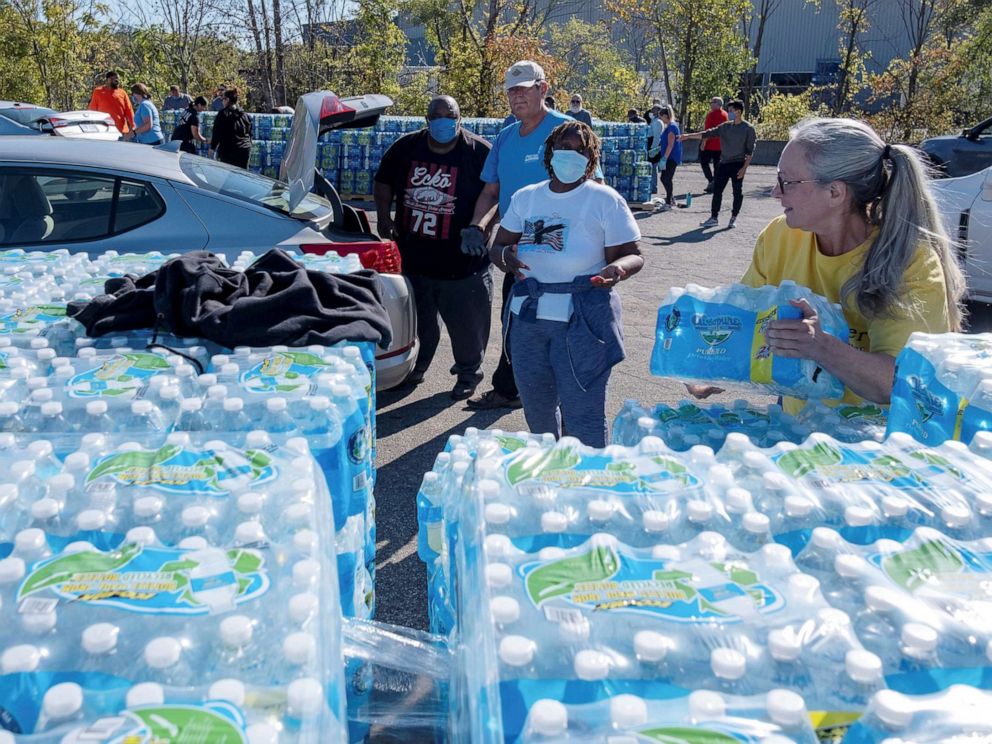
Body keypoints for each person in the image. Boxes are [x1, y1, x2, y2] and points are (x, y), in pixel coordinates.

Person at [689, 117, 965, 414]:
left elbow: (899, 382)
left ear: (835, 192)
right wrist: (705, 360)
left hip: (879, 449)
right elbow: (744, 313)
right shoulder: (779, 237)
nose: (774, 192)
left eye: (787, 181)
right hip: (801, 439)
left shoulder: (911, 260)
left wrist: (820, 346)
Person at [489, 121, 643, 447]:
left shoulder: (604, 200)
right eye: (563, 148)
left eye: (579, 150)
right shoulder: (526, 198)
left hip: (582, 318)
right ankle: (550, 471)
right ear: (550, 154)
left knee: (583, 410)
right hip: (530, 318)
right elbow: (498, 247)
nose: (569, 155)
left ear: (590, 159)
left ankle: (587, 479)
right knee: (538, 409)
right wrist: (507, 258)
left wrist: (617, 269)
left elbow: (633, 255)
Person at [461, 59, 603, 411]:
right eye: (511, 90)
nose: (516, 96)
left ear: (543, 89)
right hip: (518, 254)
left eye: (523, 88)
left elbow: (595, 186)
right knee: (516, 322)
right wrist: (478, 225)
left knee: (564, 325)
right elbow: (492, 191)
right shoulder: (506, 137)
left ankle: (565, 395)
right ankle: (511, 390)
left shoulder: (567, 132)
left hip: (563, 255)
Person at [373, 95, 493, 401]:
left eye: (448, 115)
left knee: (467, 327)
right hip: (414, 259)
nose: (442, 121)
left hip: (462, 262)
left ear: (459, 118)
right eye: (436, 116)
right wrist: (384, 216)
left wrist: (482, 226)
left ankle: (468, 374)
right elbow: (383, 181)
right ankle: (417, 368)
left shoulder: (479, 152)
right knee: (420, 322)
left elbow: (497, 194)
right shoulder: (406, 147)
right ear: (427, 121)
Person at [680, 98, 755, 229]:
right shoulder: (725, 126)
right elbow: (707, 133)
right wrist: (688, 136)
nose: (729, 113)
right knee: (717, 191)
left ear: (738, 111)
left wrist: (744, 169)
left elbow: (750, 151)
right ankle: (714, 217)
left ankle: (733, 218)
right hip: (724, 163)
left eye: (731, 110)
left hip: (738, 164)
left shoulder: (748, 128)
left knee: (737, 192)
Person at [209, 87, 253, 169]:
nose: (222, 101)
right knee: (243, 177)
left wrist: (212, 148)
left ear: (228, 100)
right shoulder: (244, 115)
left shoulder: (223, 114)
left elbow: (217, 132)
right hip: (245, 150)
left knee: (228, 178)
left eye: (223, 99)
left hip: (229, 151)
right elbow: (250, 133)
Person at [652, 104, 682, 211]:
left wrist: (664, 158)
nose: (661, 119)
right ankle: (671, 198)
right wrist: (658, 149)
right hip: (667, 156)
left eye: (661, 117)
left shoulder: (672, 127)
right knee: (663, 178)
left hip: (671, 157)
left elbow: (670, 144)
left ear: (665, 116)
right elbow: (665, 143)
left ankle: (669, 202)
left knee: (667, 179)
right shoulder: (668, 126)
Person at [87, 71, 134, 135]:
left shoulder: (122, 93)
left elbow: (129, 110)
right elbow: (92, 110)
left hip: (121, 130)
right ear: (108, 80)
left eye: (118, 79)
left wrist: (133, 127)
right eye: (115, 79)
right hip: (104, 130)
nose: (117, 81)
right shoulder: (98, 92)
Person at [700, 96, 728, 193]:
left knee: (704, 162)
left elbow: (707, 130)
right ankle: (715, 183)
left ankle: (711, 180)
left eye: (712, 102)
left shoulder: (711, 115)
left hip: (710, 144)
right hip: (720, 145)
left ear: (717, 104)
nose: (711, 104)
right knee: (717, 165)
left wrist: (703, 142)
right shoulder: (725, 114)